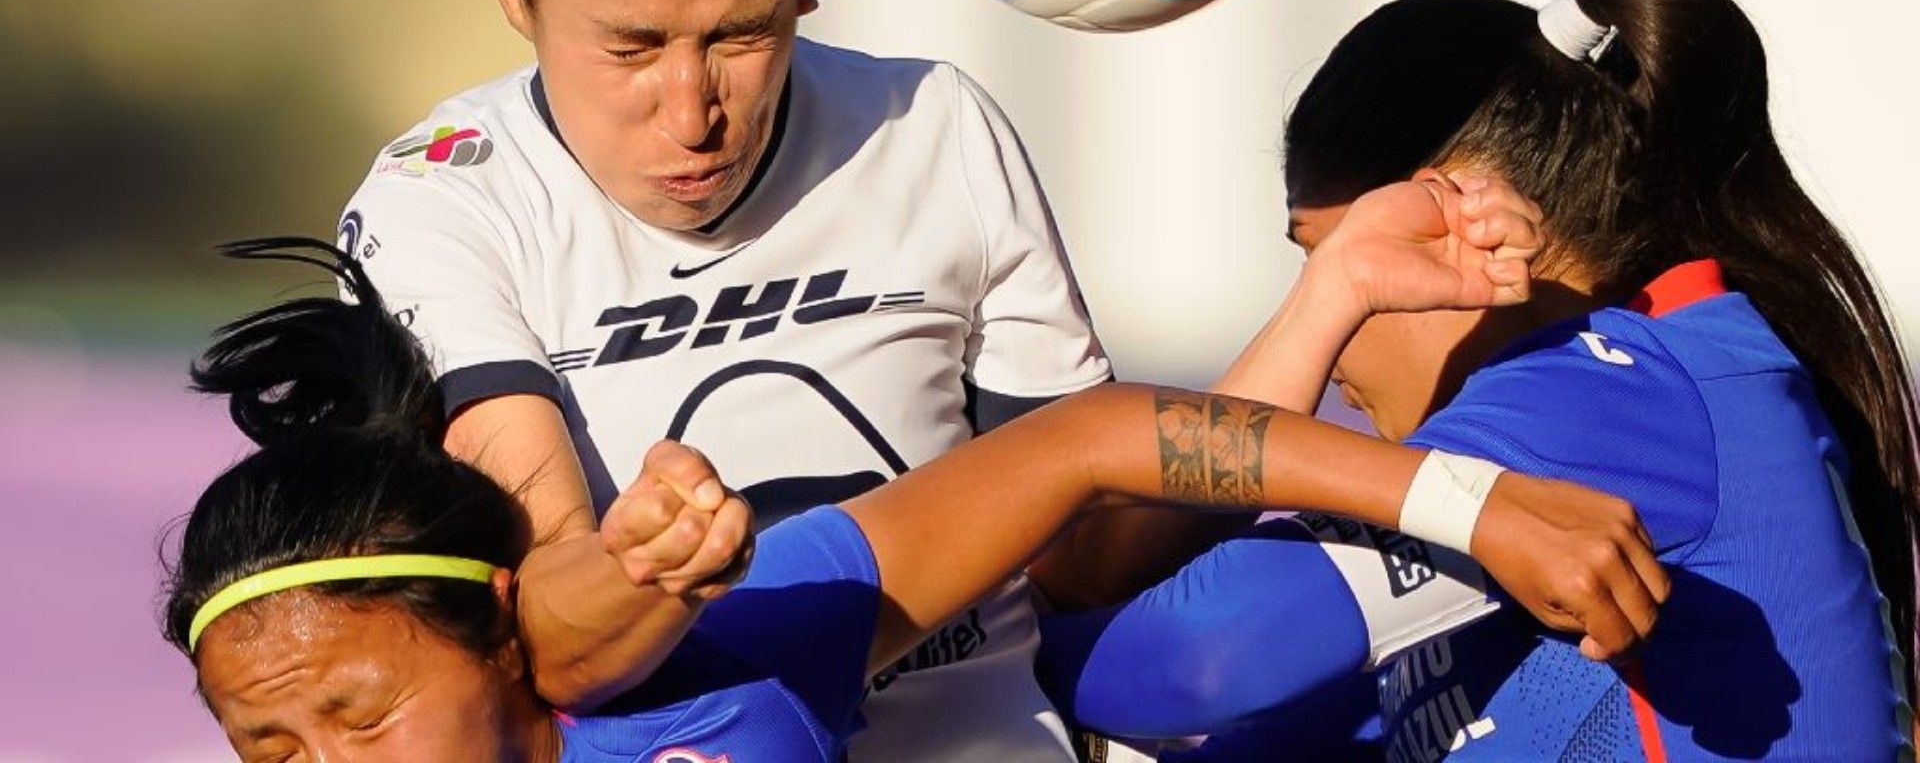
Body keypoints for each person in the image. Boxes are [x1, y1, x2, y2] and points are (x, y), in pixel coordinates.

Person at [165, 175, 1668, 762]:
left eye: (355, 716)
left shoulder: (730, 658)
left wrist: (1460, 493)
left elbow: (1085, 447)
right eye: (272, 754)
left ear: (503, 632)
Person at [335, 0, 1115, 756]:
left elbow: (1088, 555)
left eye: (740, 35)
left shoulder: (935, 127)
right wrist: (644, 567)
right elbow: (552, 639)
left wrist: (1320, 322)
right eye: (634, 47)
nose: (695, 112)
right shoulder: (438, 204)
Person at [1035, 0, 1919, 760]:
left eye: (1328, 256)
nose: (1327, 319)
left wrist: (974, 640)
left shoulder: (1605, 391)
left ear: (1451, 216)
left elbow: (1196, 659)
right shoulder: (1643, 382)